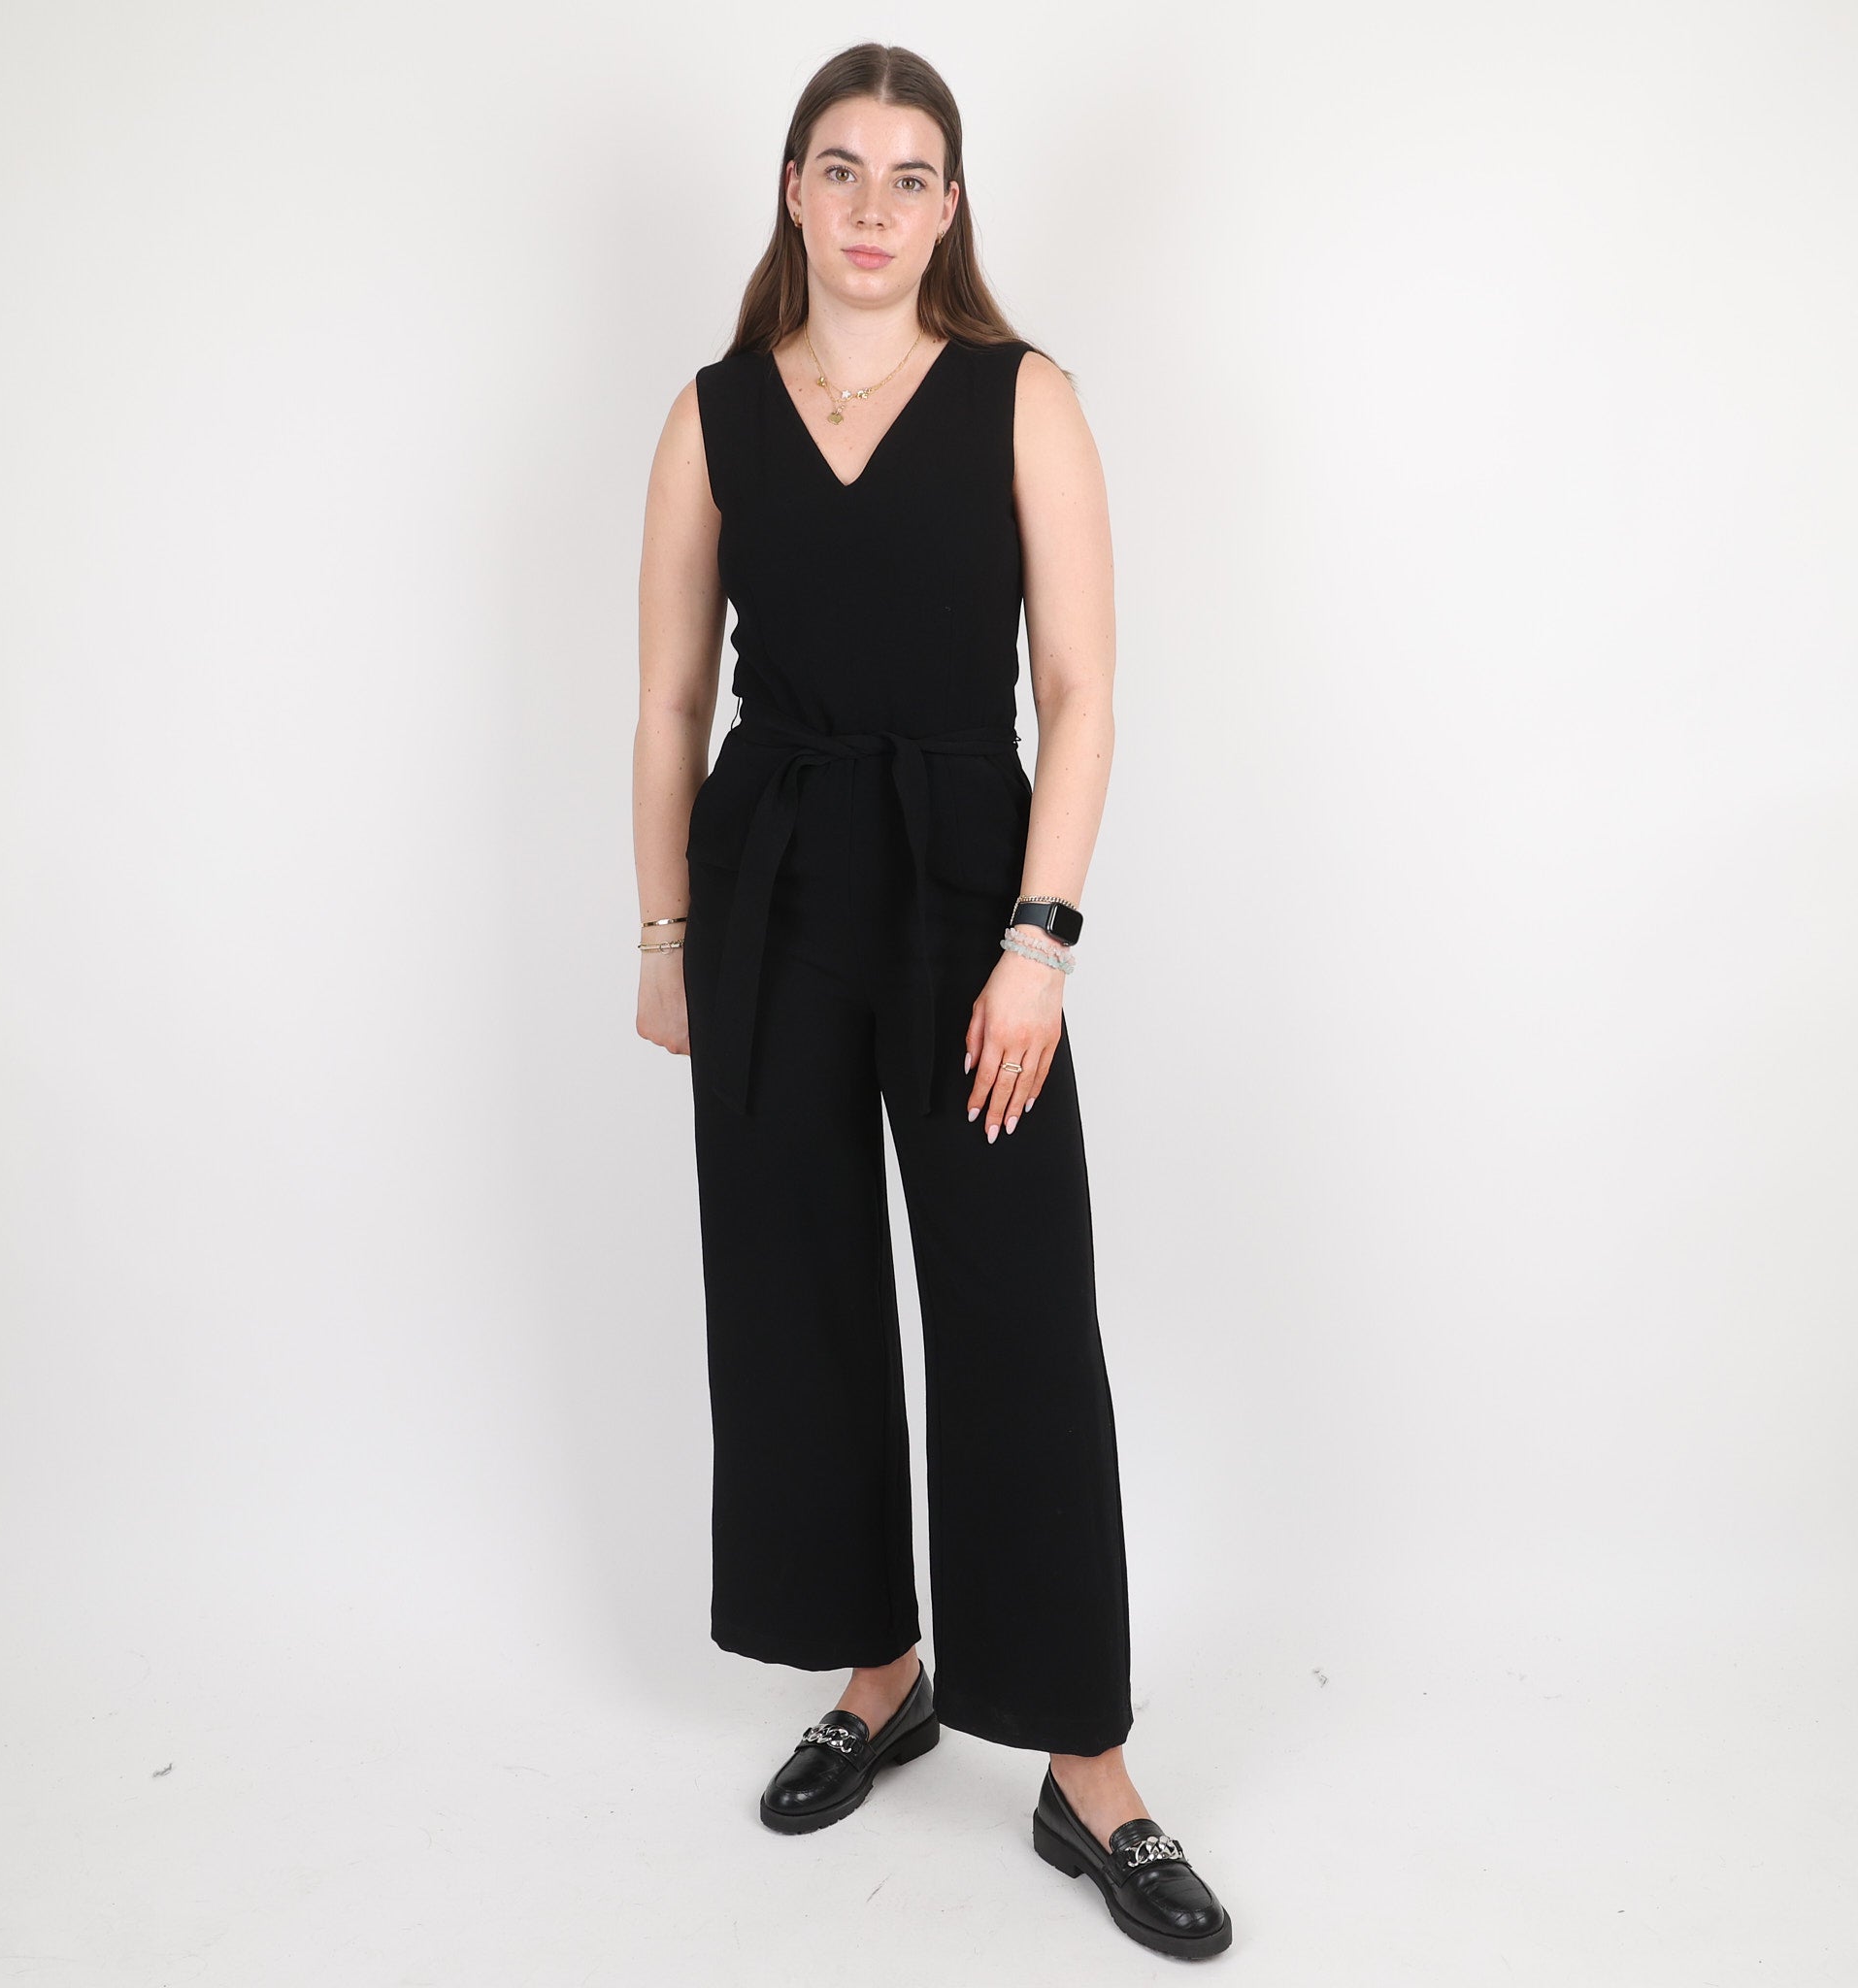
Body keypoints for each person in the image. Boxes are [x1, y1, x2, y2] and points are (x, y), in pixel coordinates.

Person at [631, 42, 1232, 1960]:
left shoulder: (1020, 396)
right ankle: (877, 1673)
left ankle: (1086, 1766)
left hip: (971, 880)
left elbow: (1084, 688)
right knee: (795, 1287)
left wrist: (1038, 939)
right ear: (792, 190)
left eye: (910, 174)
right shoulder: (714, 413)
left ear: (950, 206)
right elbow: (668, 700)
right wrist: (665, 937)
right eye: (842, 167)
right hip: (771, 879)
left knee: (1016, 1307)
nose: (874, 205)